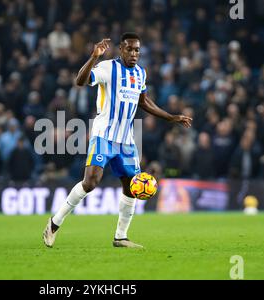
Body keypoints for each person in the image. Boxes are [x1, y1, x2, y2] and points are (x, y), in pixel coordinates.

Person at [43, 33, 192, 248]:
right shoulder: (107, 68)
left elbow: (144, 101)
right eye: (129, 49)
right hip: (104, 135)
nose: (133, 53)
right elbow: (80, 81)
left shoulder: (141, 73)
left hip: (127, 141)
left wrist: (171, 117)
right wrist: (94, 57)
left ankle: (120, 236)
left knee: (131, 187)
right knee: (91, 182)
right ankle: (54, 224)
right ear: (121, 49)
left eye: (137, 50)